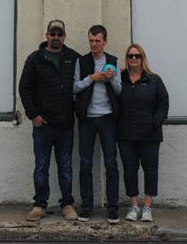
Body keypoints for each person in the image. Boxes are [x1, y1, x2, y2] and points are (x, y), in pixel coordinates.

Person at [18, 19, 81, 222]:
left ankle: (67, 204)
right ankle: (39, 205)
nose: (56, 37)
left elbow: (85, 81)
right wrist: (33, 115)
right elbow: (24, 88)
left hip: (66, 124)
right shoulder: (35, 59)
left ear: (64, 36)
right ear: (46, 36)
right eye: (52, 34)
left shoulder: (73, 57)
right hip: (43, 124)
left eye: (59, 34)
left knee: (65, 166)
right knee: (41, 166)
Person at [72, 24, 122, 223]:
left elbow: (119, 90)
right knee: (85, 164)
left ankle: (113, 208)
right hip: (87, 119)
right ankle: (86, 207)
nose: (93, 44)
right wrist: (91, 78)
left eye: (97, 41)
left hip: (108, 118)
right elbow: (74, 87)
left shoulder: (113, 61)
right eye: (91, 40)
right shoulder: (81, 61)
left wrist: (111, 79)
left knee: (111, 163)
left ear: (104, 41)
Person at [117, 43, 169, 223]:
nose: (133, 59)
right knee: (129, 170)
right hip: (126, 134)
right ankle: (133, 206)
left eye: (137, 56)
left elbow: (163, 102)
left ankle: (147, 207)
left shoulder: (154, 80)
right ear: (126, 58)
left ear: (142, 58)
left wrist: (155, 122)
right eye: (130, 56)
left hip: (149, 135)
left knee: (150, 170)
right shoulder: (120, 79)